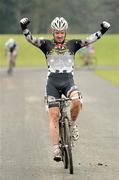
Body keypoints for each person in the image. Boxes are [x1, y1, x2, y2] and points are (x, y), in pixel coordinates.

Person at [20, 17, 110, 161]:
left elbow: (89, 40)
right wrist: (23, 27)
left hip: (68, 81)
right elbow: (31, 39)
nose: (60, 35)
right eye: (57, 32)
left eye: (62, 32)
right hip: (52, 84)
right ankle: (56, 149)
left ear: (65, 32)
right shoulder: (46, 44)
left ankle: (73, 124)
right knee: (54, 115)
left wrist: (103, 30)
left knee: (76, 101)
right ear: (53, 32)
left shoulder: (73, 44)